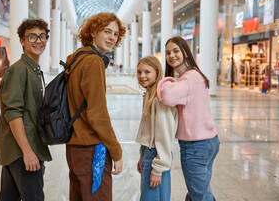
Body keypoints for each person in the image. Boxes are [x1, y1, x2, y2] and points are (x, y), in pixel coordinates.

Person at [65, 12, 125, 200]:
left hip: (74, 147)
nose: (112, 38)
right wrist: (116, 151)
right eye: (106, 31)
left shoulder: (76, 58)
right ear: (92, 32)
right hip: (91, 150)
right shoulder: (93, 61)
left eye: (115, 34)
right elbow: (98, 114)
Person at [157, 36, 220, 201]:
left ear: (186, 51)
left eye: (176, 51)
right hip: (208, 142)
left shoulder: (189, 77)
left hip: (195, 146)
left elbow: (167, 96)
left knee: (200, 196)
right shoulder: (194, 75)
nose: (171, 55)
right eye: (168, 53)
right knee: (199, 192)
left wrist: (165, 81)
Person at [0, 18, 52, 201]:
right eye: (32, 37)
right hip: (22, 151)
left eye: (42, 36)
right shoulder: (19, 70)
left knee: (8, 197)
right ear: (22, 40)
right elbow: (13, 113)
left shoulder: (33, 69)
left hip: (19, 148)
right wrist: (28, 152)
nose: (38, 41)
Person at [135, 56, 178, 201]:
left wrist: (158, 168)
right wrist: (142, 157)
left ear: (157, 72)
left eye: (147, 72)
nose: (142, 76)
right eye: (139, 72)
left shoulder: (160, 99)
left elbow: (165, 135)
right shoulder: (149, 94)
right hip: (149, 153)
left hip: (157, 156)